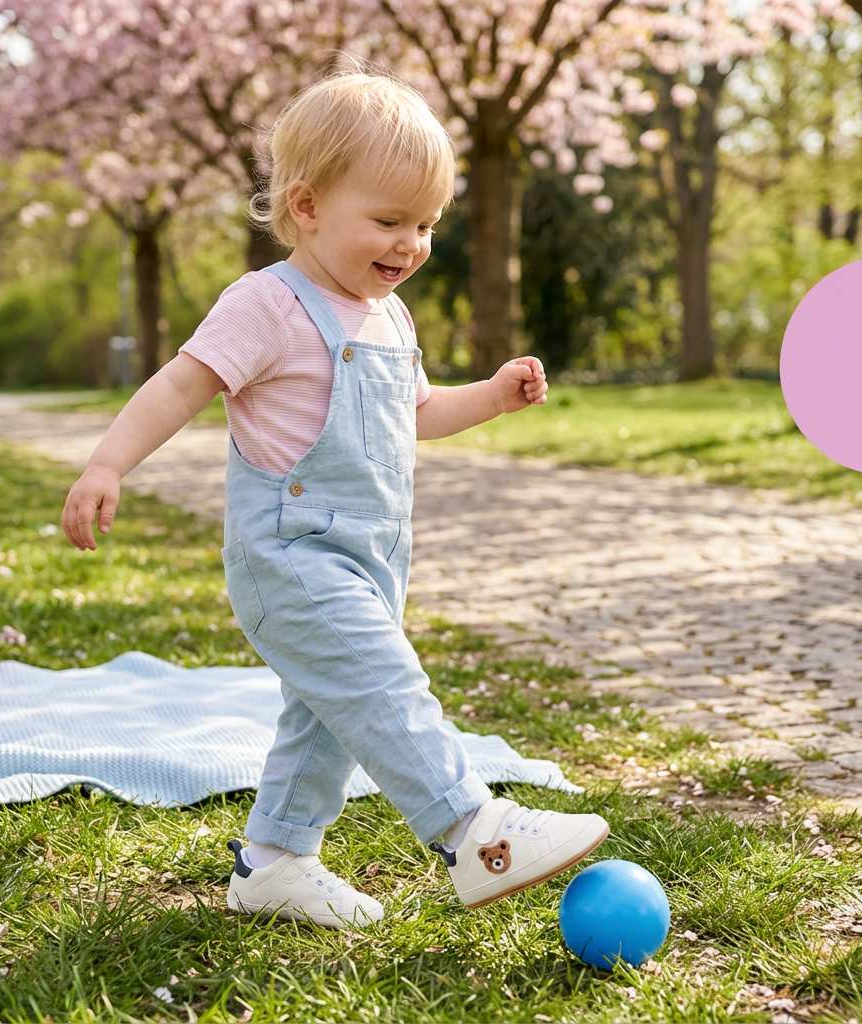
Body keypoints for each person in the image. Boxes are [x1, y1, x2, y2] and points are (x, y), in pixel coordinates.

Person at [62, 71, 608, 929]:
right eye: (389, 221)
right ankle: (477, 833)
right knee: (387, 690)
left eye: (426, 224)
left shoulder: (387, 319)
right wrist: (108, 463)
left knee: (326, 717)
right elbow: (181, 384)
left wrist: (492, 397)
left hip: (372, 560)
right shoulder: (267, 305)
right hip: (288, 557)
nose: (411, 245)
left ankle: (275, 860)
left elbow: (417, 412)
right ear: (307, 206)